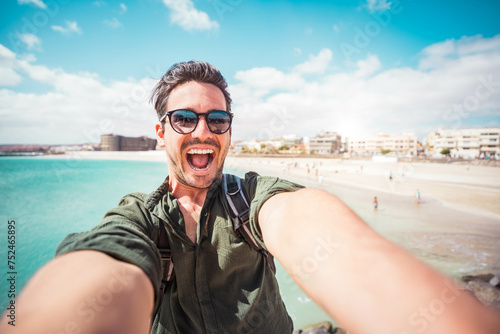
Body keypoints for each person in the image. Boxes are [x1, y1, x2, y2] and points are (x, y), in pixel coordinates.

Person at [2, 61, 499, 334]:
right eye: (185, 118)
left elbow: (320, 235)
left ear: (230, 132)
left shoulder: (253, 198)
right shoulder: (141, 217)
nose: (203, 129)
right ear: (160, 131)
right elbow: (107, 263)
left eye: (217, 120)